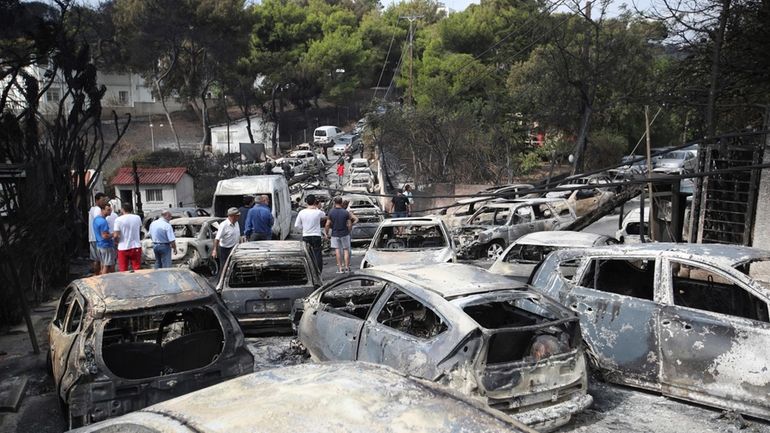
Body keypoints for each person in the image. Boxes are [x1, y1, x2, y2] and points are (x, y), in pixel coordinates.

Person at [295, 194, 326, 272]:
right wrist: (318, 207)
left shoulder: (301, 212)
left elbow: (297, 225)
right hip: (316, 235)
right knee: (317, 253)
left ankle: (309, 271)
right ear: (315, 202)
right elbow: (324, 215)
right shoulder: (318, 212)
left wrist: (304, 228)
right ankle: (318, 271)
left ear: (306, 202)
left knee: (308, 254)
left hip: (306, 235)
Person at [325, 196, 353, 273]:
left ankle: (340, 268)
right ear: (341, 203)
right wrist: (349, 231)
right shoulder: (345, 212)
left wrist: (326, 233)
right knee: (346, 250)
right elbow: (349, 224)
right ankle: (347, 268)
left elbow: (327, 224)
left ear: (334, 202)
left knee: (337, 250)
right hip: (345, 233)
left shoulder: (331, 212)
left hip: (335, 234)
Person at [113, 202, 143, 272]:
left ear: (122, 209)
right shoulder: (137, 218)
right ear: (131, 209)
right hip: (136, 246)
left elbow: (116, 235)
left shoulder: (118, 219)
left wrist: (116, 241)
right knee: (137, 269)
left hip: (123, 246)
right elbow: (139, 229)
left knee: (123, 270)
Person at [92, 203, 116, 274]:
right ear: (102, 210)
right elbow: (105, 236)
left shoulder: (96, 219)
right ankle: (104, 280)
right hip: (106, 246)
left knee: (103, 265)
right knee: (107, 266)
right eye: (108, 210)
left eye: (110, 210)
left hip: (99, 245)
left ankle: (101, 278)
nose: (110, 211)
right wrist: (114, 234)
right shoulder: (103, 222)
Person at [88, 192, 108, 274]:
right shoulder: (97, 209)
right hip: (97, 238)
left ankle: (96, 275)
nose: (104, 202)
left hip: (92, 237)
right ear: (97, 200)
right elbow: (99, 222)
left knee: (95, 259)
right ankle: (98, 276)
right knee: (100, 260)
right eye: (102, 200)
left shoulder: (92, 209)